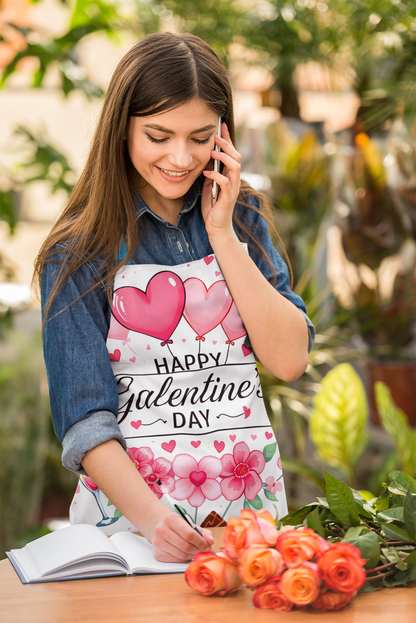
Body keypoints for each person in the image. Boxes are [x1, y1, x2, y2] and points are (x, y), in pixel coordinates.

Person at [35, 32, 315, 563]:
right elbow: (84, 421)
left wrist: (223, 233)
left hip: (249, 524)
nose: (180, 158)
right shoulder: (76, 253)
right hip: (133, 534)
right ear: (122, 129)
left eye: (200, 136)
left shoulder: (243, 215)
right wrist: (155, 522)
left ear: (224, 134)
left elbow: (290, 358)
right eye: (158, 136)